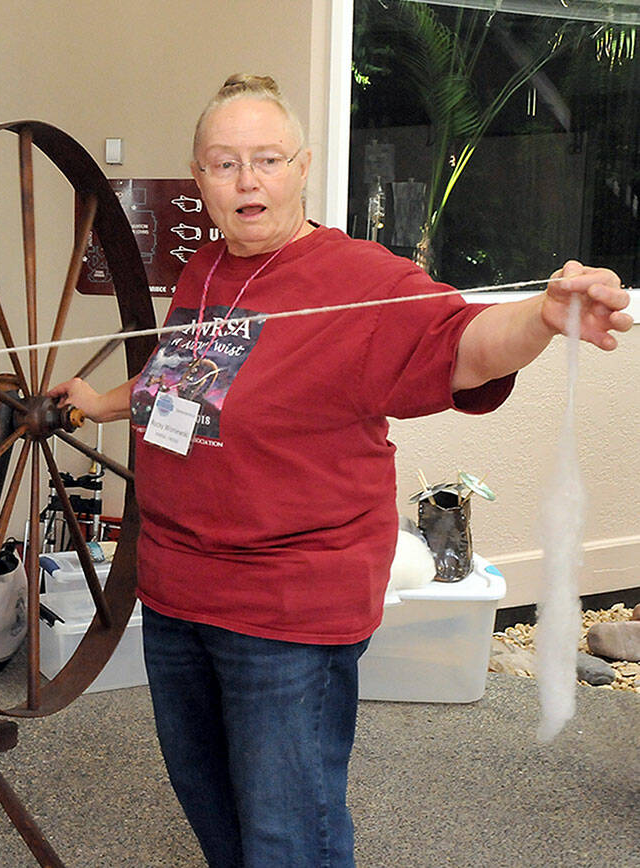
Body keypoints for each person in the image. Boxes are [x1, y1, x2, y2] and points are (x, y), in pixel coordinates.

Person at [49, 74, 632, 867]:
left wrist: (542, 315)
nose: (247, 180)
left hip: (289, 604)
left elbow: (462, 343)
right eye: (224, 164)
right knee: (211, 800)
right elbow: (181, 380)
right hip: (179, 584)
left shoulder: (361, 279)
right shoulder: (205, 270)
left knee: (291, 831)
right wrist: (102, 400)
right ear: (200, 180)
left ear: (303, 166)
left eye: (266, 159)